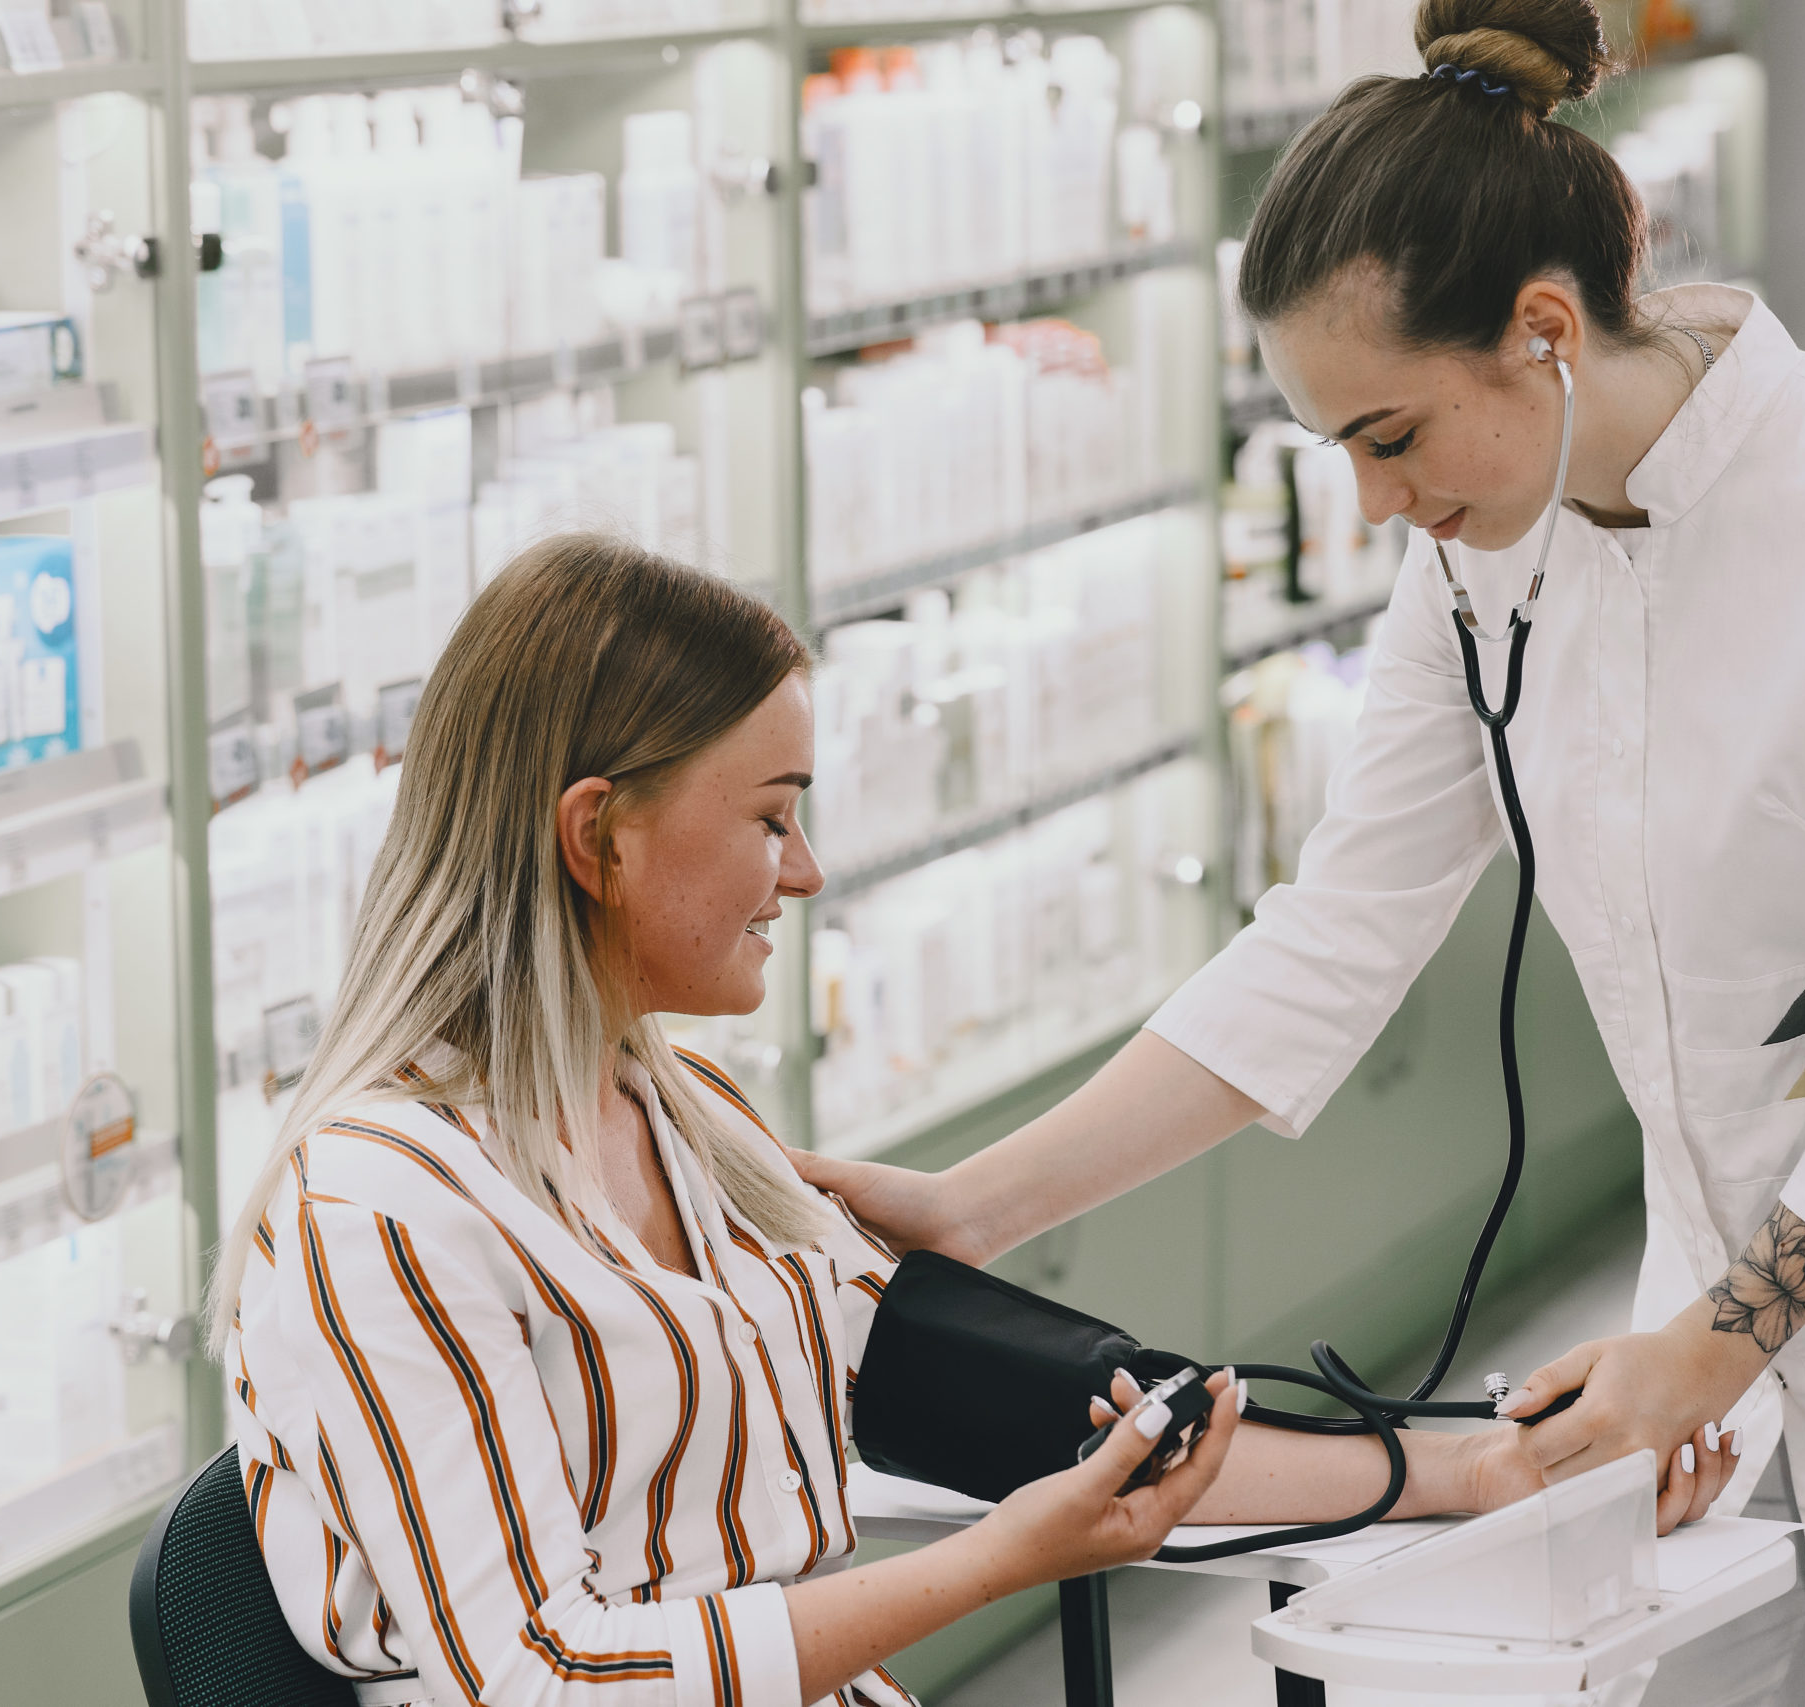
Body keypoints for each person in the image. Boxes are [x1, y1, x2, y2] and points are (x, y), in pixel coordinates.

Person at [793, 0, 1805, 1699]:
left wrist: (1704, 1350)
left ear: (1542, 328)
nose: (1375, 502)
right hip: (1740, 1312)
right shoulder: (1479, 560)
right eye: (1340, 452)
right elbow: (1341, 927)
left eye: (1391, 436)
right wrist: (970, 1203)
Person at [206, 537, 1560, 1707]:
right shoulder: (382, 1208)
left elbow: (1028, 1417)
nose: (805, 870)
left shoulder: (689, 1120)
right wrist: (997, 1561)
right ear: (596, 837)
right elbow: (542, 1680)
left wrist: (1468, 1471)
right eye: (769, 819)